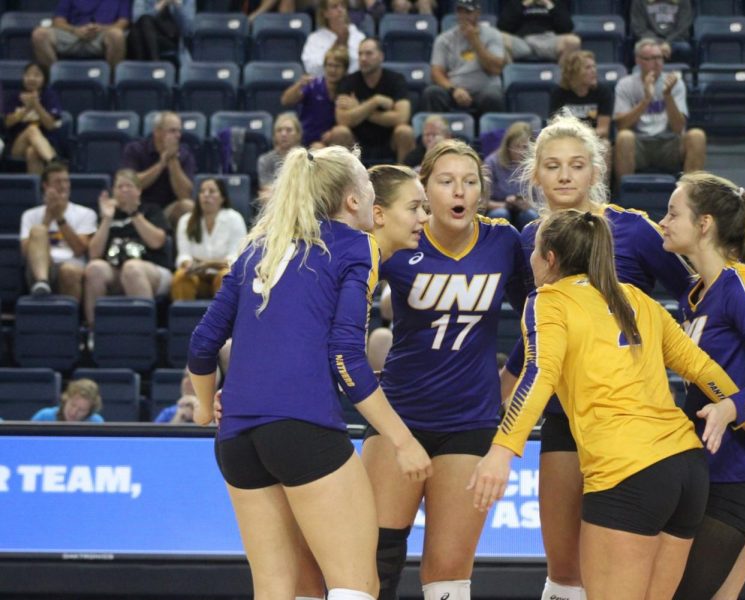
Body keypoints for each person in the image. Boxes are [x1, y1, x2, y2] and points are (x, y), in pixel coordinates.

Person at [470, 208, 745, 600]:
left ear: (550, 258)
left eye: (535, 252)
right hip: (686, 469)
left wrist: (502, 449)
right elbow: (703, 368)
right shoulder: (635, 297)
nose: (531, 261)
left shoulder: (547, 300)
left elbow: (539, 373)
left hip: (628, 472)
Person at [188, 145, 432, 600]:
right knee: (356, 586)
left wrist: (205, 409)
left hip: (236, 440)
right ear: (356, 202)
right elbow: (346, 357)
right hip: (304, 428)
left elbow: (203, 344)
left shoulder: (257, 248)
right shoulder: (354, 245)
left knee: (277, 588)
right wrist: (402, 439)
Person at [498, 112, 695, 600]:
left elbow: (695, 295)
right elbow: (536, 340)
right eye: (553, 165)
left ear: (596, 172)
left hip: (639, 426)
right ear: (535, 175)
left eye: (577, 165)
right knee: (564, 571)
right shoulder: (529, 240)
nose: (565, 175)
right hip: (566, 420)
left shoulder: (635, 230)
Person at [362, 139, 528, 600]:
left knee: (448, 573)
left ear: (482, 190)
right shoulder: (403, 239)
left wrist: (509, 379)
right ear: (426, 189)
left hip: (470, 421)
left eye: (470, 182)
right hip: (399, 416)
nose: (460, 191)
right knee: (375, 558)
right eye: (447, 181)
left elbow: (542, 324)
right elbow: (342, 313)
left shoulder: (503, 242)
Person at [659, 172, 745, 600]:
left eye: (672, 212)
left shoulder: (742, 285)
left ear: (704, 224)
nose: (663, 221)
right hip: (704, 471)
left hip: (741, 479)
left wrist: (733, 409)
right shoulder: (695, 295)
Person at [83, 169, 172, 329]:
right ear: (113, 192)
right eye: (119, 187)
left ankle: (144, 331)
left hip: (153, 270)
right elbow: (94, 254)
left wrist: (134, 213)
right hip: (117, 270)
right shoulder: (109, 215)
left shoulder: (151, 210)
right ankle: (94, 332)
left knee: (131, 268)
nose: (124, 190)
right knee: (94, 268)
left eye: (129, 186)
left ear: (139, 190)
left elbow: (157, 242)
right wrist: (106, 219)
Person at [613, 39, 706, 185]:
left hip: (668, 143)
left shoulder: (674, 83)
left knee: (697, 136)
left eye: (659, 58)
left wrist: (667, 95)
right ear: (638, 60)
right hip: (639, 144)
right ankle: (625, 199)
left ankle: (689, 196)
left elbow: (678, 128)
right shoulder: (626, 84)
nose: (656, 63)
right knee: (624, 137)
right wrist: (645, 101)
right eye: (650, 59)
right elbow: (621, 125)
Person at [364, 164, 429, 373]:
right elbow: (344, 357)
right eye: (414, 208)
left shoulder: (379, 260)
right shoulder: (354, 264)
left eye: (424, 208)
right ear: (378, 214)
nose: (424, 217)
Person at [19, 161, 97, 298]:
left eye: (66, 181)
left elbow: (79, 250)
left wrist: (60, 218)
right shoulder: (30, 215)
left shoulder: (86, 213)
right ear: (45, 186)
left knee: (69, 271)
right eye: (57, 182)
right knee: (38, 230)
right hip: (40, 268)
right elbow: (26, 251)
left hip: (72, 265)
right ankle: (42, 282)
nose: (63, 186)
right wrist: (48, 217)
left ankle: (70, 317)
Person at [334, 38, 415, 163]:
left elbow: (402, 117)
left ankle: (404, 178)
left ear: (381, 56)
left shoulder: (396, 80)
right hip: (357, 141)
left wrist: (359, 108)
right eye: (360, 54)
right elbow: (342, 119)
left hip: (389, 140)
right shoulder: (348, 81)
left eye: (369, 53)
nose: (363, 58)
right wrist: (375, 102)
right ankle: (343, 180)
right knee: (339, 132)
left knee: (405, 131)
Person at [423, 0, 506, 118]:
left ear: (478, 13)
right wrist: (454, 90)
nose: (464, 17)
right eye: (460, 12)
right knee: (432, 93)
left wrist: (475, 41)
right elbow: (436, 72)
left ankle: (492, 135)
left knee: (493, 97)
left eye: (468, 12)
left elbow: (495, 69)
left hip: (484, 89)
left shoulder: (493, 35)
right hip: (454, 89)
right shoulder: (444, 38)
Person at [171, 178, 247, 301]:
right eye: (202, 191)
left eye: (211, 191)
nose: (206, 195)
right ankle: (184, 318)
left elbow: (236, 260)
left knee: (226, 276)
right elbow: (184, 256)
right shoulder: (186, 220)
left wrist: (208, 264)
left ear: (222, 198)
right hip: (195, 274)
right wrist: (189, 264)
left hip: (221, 273)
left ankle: (224, 320)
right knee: (181, 276)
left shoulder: (234, 219)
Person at [122, 111, 196, 230]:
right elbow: (132, 184)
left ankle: (179, 248)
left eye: (179, 131)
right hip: (140, 207)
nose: (178, 135)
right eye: (172, 131)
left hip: (168, 209)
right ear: (157, 132)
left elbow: (185, 194)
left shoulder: (185, 154)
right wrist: (161, 164)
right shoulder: (135, 149)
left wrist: (172, 160)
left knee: (188, 206)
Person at [282, 45, 350, 150]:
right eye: (329, 65)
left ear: (345, 70)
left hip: (334, 140)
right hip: (309, 141)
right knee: (318, 148)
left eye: (337, 66)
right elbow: (286, 101)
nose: (332, 70)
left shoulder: (349, 88)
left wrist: (332, 133)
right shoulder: (314, 85)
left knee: (342, 133)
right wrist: (299, 85)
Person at [31, 0, 130, 70]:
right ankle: (50, 79)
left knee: (117, 35)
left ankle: (111, 82)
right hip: (73, 34)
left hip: (102, 35)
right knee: (39, 34)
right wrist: (74, 30)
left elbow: (123, 22)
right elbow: (58, 21)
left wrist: (102, 28)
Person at [3, 63, 62, 174]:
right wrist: (26, 109)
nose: (31, 78)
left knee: (32, 152)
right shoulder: (14, 97)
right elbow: (7, 123)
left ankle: (38, 189)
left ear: (44, 79)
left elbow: (50, 125)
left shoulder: (49, 97)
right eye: (28, 75)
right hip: (17, 145)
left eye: (36, 75)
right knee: (32, 129)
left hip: (46, 143)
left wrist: (36, 105)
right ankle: (54, 162)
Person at [483, 121, 539, 231]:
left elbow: (542, 202)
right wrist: (505, 205)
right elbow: (482, 201)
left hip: (524, 209)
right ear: (507, 146)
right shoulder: (492, 162)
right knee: (501, 214)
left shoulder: (535, 163)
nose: (520, 151)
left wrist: (528, 204)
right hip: (499, 208)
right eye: (516, 147)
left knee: (530, 215)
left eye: (524, 147)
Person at [550, 50, 612, 142]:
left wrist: (582, 137)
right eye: (588, 68)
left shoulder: (603, 91)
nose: (593, 71)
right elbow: (556, 126)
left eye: (594, 66)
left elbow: (603, 129)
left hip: (594, 139)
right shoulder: (559, 93)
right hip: (567, 139)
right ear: (574, 72)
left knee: (605, 145)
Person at [497, 0, 580, 62]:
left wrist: (549, 5)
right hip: (522, 41)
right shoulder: (516, 2)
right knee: (498, 38)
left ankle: (563, 82)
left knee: (573, 41)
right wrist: (524, 5)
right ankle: (509, 78)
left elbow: (567, 27)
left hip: (547, 41)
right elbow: (502, 26)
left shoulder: (555, 2)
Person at [302, 0, 366, 78]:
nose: (340, 10)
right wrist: (338, 45)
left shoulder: (358, 36)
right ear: (325, 13)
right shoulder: (314, 39)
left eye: (342, 6)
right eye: (334, 7)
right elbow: (311, 68)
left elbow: (362, 64)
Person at [128, 0, 195, 63]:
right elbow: (136, 20)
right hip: (149, 35)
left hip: (172, 39)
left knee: (137, 32)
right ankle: (155, 64)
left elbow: (189, 31)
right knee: (139, 28)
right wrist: (159, 6)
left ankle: (148, 68)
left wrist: (178, 6)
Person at [630, 0, 694, 65]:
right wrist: (659, 44)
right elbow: (640, 29)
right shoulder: (639, 1)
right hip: (649, 41)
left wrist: (668, 43)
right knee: (641, 50)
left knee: (684, 48)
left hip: (675, 41)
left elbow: (683, 28)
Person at [257, 112, 304, 200]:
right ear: (274, 136)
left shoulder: (307, 158)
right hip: (275, 203)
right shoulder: (266, 160)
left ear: (298, 135)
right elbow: (266, 189)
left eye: (289, 130)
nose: (283, 134)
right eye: (279, 130)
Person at [31, 378, 104, 423]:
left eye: (81, 410)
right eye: (72, 405)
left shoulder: (96, 423)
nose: (73, 413)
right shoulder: (44, 417)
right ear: (66, 399)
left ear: (89, 412)